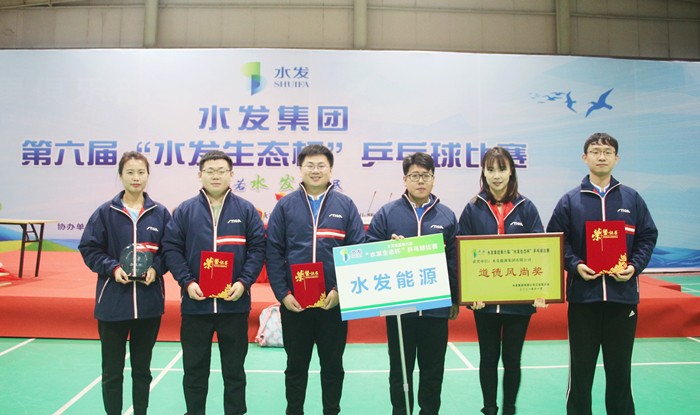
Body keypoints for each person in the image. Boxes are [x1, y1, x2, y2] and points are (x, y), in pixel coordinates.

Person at [546, 133, 658, 415]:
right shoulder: (570, 201)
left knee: (620, 374)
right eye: (595, 151)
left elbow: (647, 236)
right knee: (581, 374)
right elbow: (557, 240)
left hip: (622, 300)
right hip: (584, 300)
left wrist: (634, 266)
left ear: (616, 159)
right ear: (585, 158)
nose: (601, 156)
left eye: (607, 152)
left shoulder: (632, 198)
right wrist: (575, 265)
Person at [162, 150, 266, 415]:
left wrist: (244, 283)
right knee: (194, 371)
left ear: (231, 175)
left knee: (234, 372)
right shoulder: (185, 211)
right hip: (196, 306)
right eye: (210, 171)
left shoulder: (246, 210)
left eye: (221, 171)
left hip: (234, 305)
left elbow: (258, 250)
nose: (216, 176)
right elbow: (171, 249)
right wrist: (187, 283)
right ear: (200, 175)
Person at [266, 144, 365, 415]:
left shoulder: (345, 205)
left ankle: (331, 411)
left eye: (321, 165)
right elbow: (273, 252)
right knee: (295, 366)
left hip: (333, 303)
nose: (315, 170)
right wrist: (283, 294)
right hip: (295, 304)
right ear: (300, 169)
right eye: (309, 165)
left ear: (330, 170)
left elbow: (356, 248)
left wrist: (340, 290)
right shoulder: (285, 206)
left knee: (332, 366)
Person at [365, 152, 460, 415]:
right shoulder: (387, 213)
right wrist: (388, 248)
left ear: (433, 179)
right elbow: (369, 250)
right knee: (400, 371)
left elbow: (454, 261)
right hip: (400, 310)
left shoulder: (446, 216)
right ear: (405, 179)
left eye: (426, 176)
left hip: (435, 309)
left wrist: (454, 298)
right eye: (415, 175)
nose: (420, 181)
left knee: (433, 371)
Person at [78, 151, 171, 415]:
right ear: (120, 176)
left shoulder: (160, 213)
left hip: (148, 304)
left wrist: (156, 268)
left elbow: (170, 250)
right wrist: (113, 268)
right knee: (112, 371)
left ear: (148, 175)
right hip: (113, 304)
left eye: (141, 172)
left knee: (142, 370)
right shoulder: (105, 212)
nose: (135, 177)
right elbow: (89, 249)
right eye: (130, 172)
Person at [458, 146, 547, 415]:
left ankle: (509, 409)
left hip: (519, 302)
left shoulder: (526, 207)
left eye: (502, 169)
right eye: (490, 169)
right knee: (488, 357)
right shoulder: (473, 208)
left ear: (511, 172)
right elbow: (462, 254)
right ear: (483, 173)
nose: (496, 175)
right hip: (483, 302)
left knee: (512, 359)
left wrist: (542, 289)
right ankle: (489, 409)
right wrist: (469, 294)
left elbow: (541, 250)